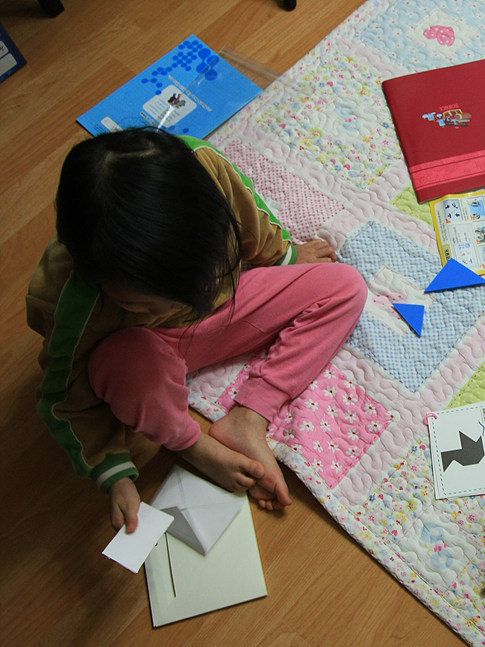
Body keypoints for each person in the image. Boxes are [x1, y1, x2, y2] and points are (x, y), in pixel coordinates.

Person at [27, 128, 368, 534]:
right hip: (154, 346)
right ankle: (193, 446)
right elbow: (64, 398)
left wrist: (287, 255)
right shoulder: (73, 300)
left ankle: (249, 417)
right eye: (143, 304)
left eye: (198, 280)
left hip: (229, 305)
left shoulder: (204, 167)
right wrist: (114, 474)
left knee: (346, 285)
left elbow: (250, 218)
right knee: (124, 363)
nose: (176, 306)